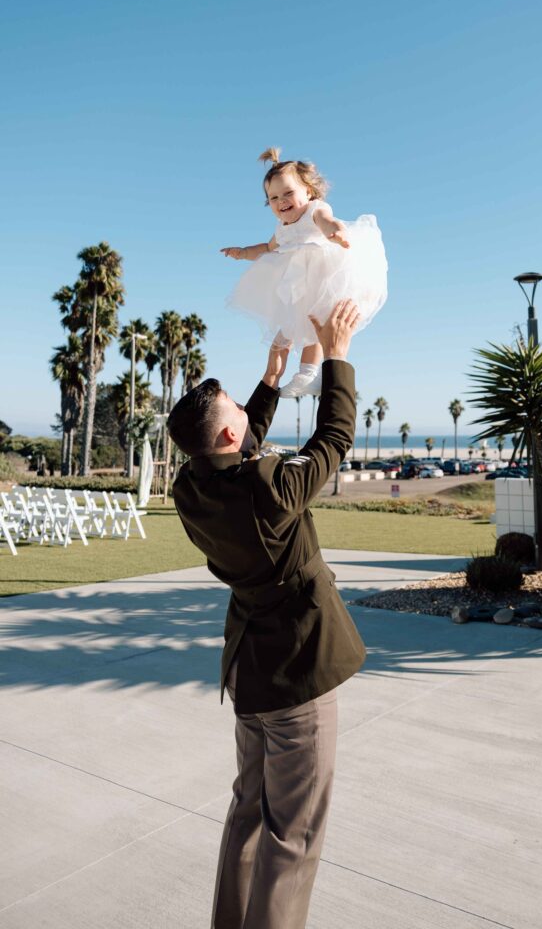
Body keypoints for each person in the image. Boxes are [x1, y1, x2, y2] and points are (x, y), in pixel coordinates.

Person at [167, 299, 367, 929]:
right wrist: (337, 356)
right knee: (294, 837)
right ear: (232, 434)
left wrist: (270, 380)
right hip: (296, 678)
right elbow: (334, 439)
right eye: (238, 417)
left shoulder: (190, 486)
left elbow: (231, 440)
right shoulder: (269, 490)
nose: (246, 423)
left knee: (248, 814)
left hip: (250, 678)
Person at [221, 147, 388, 398]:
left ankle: (308, 374)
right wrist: (243, 252)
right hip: (299, 282)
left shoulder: (314, 210)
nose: (281, 201)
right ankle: (307, 375)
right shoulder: (282, 229)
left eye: (288, 193)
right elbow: (267, 248)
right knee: (300, 326)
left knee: (315, 322)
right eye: (273, 198)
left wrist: (336, 231)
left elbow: (327, 220)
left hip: (326, 274)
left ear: (308, 191)